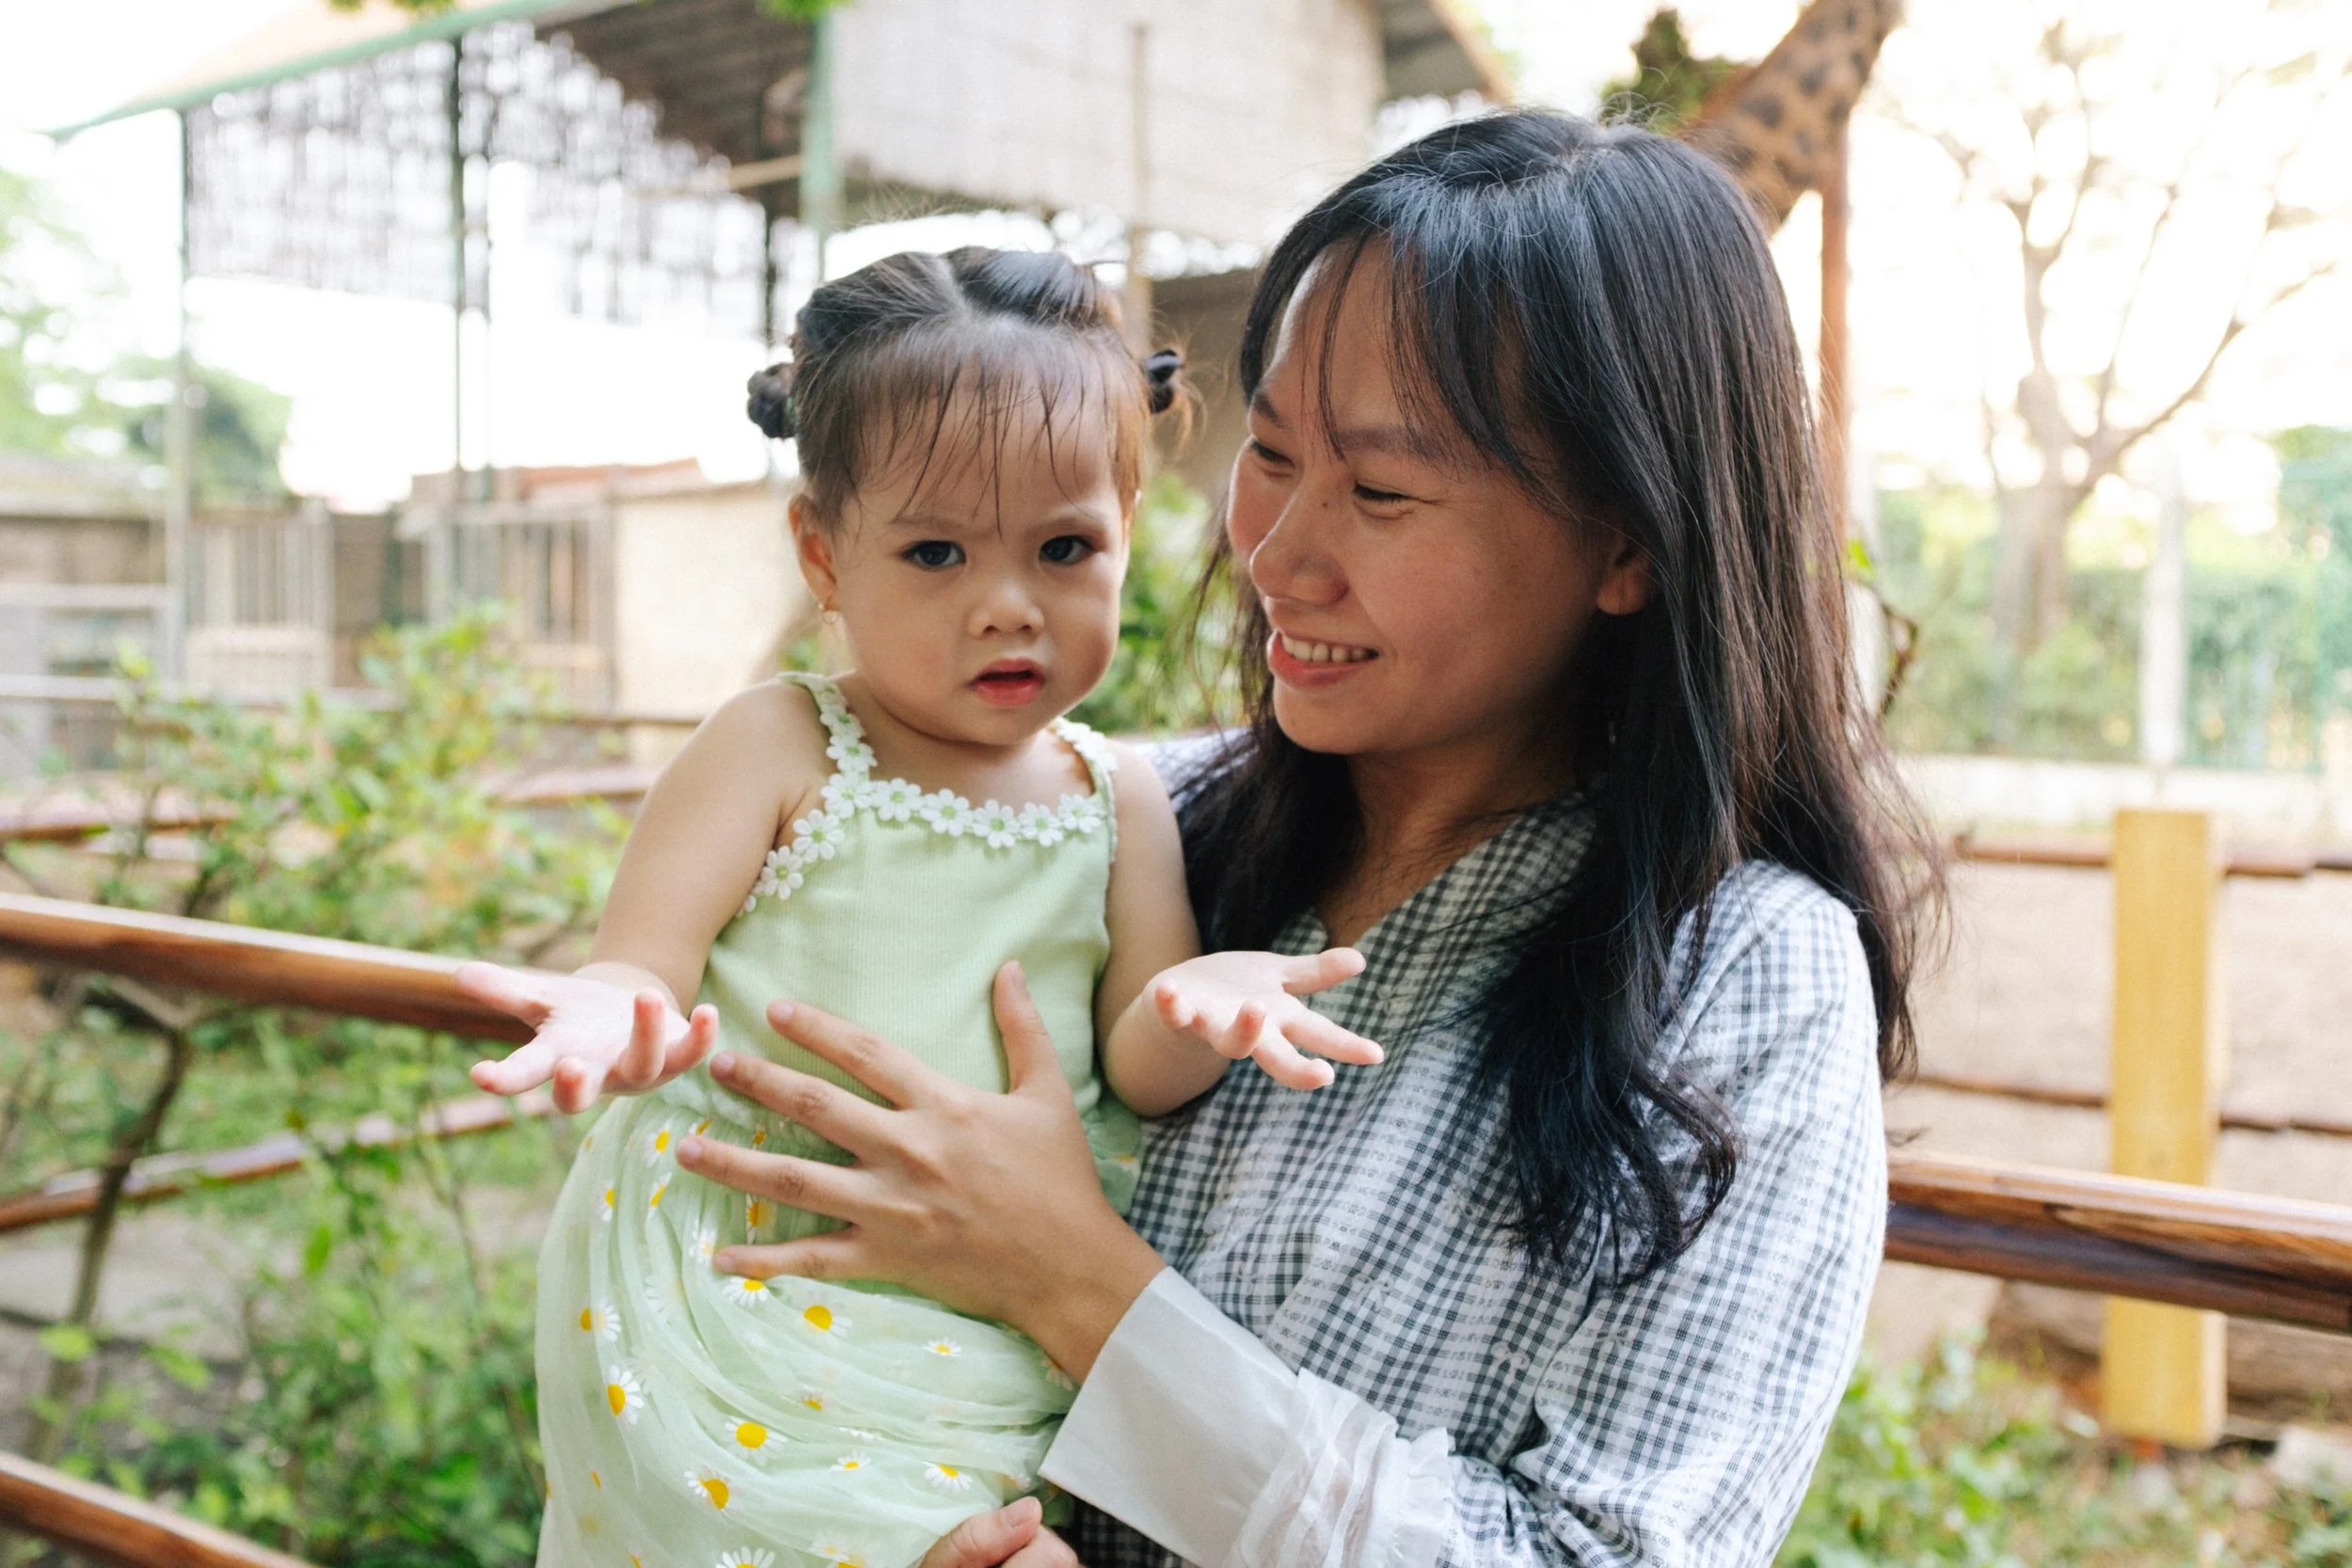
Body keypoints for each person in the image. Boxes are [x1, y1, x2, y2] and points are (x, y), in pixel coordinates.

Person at [672, 110, 1937, 1568]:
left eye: (1383, 491)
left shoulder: (1749, 974)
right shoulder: (1128, 815)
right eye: (1270, 453)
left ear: (1629, 541)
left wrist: (1079, 1281)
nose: (1274, 554)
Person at [458, 246, 1382, 1568]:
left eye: (1065, 547)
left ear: (1129, 528)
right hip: (749, 1266)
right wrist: (614, 1008)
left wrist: (1202, 1001)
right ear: (825, 554)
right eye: (936, 552)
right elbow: (642, 962)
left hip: (979, 1301)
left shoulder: (1114, 792)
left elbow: (1136, 1061)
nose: (1006, 606)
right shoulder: (777, 745)